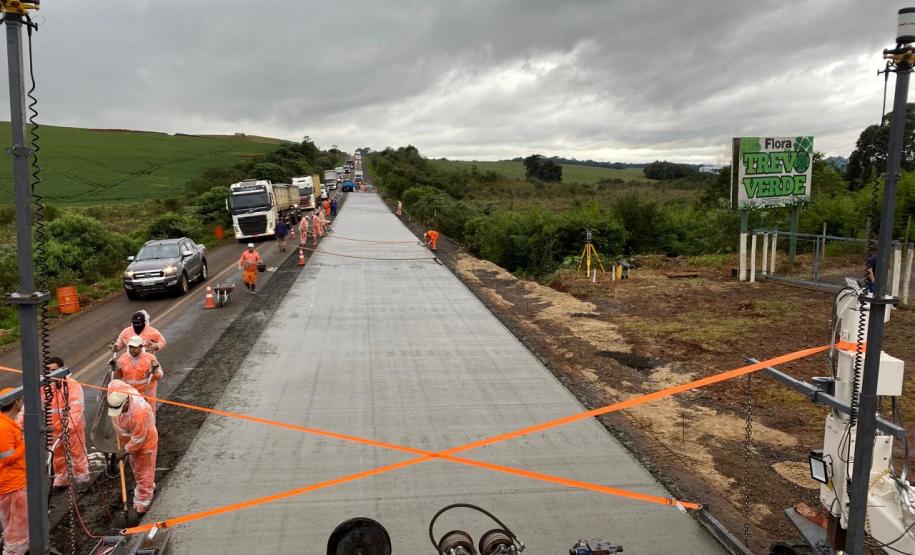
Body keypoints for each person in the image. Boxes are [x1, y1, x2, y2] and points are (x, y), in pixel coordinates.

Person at [107, 379, 158, 515]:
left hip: (144, 443)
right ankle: (148, 486)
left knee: (143, 472)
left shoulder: (140, 412)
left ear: (127, 402)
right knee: (137, 468)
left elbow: (138, 439)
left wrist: (124, 452)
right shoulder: (118, 390)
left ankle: (143, 502)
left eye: (120, 408)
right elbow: (113, 382)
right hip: (129, 440)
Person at [46, 357, 91, 489]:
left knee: (77, 453)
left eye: (53, 370)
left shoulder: (72, 385)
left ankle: (82, 479)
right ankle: (62, 478)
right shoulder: (44, 388)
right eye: (48, 370)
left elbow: (76, 407)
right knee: (57, 455)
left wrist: (69, 427)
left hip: (72, 428)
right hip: (54, 428)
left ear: (61, 369)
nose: (51, 373)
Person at [0, 389, 27, 555]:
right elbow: (6, 458)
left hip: (15, 481)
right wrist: (25, 445)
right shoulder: (3, 427)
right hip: (11, 485)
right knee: (15, 530)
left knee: (20, 525)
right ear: (15, 402)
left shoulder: (7, 424)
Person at [114, 336, 163, 413]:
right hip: (129, 395)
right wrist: (115, 368)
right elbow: (119, 377)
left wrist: (155, 371)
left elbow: (159, 375)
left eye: (135, 347)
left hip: (146, 394)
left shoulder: (150, 358)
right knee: (131, 416)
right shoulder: (123, 358)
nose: (132, 350)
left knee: (147, 416)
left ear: (141, 347)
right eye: (130, 347)